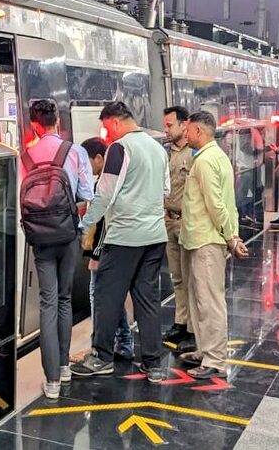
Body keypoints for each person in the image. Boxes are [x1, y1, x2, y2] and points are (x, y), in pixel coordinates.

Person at [71, 101, 169, 383]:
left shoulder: (120, 148)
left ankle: (101, 357)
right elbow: (165, 189)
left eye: (106, 128)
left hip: (125, 237)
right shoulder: (157, 148)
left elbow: (104, 194)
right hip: (155, 236)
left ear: (114, 122)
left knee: (106, 296)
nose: (107, 135)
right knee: (147, 299)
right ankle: (153, 364)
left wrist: (85, 224)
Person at [22, 99, 94, 399]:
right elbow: (86, 194)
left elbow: (19, 199)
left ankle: (50, 382)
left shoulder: (24, 156)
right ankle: (64, 368)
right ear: (58, 123)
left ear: (34, 125)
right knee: (64, 300)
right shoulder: (74, 151)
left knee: (48, 304)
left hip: (39, 240)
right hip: (68, 236)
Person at [178, 111, 249, 379]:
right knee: (199, 299)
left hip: (207, 239)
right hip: (199, 238)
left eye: (188, 130)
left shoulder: (206, 161)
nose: (185, 135)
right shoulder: (217, 156)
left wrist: (231, 237)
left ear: (199, 131)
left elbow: (216, 204)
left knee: (210, 301)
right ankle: (204, 349)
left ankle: (215, 359)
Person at [80, 137, 134, 362]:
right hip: (117, 245)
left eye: (87, 162)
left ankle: (102, 345)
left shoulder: (105, 184)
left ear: (100, 159)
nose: (85, 168)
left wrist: (96, 254)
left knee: (99, 295)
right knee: (110, 296)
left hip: (106, 247)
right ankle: (123, 340)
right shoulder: (115, 181)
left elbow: (103, 223)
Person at [161, 106, 195, 350]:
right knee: (177, 277)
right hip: (168, 220)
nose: (166, 129)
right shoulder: (164, 153)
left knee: (192, 277)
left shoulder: (195, 154)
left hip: (187, 221)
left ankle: (193, 328)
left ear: (185, 125)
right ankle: (180, 322)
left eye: (170, 125)